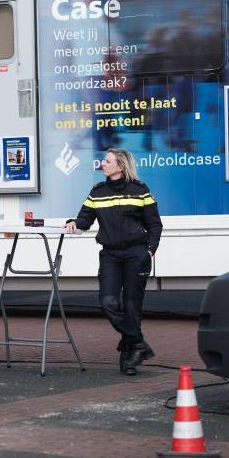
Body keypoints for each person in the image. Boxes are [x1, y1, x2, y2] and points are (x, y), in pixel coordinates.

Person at [64, 148, 163, 376]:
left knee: (131, 307)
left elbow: (155, 225)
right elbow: (85, 219)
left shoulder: (140, 190)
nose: (102, 164)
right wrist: (74, 222)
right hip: (110, 255)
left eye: (107, 161)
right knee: (108, 302)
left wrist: (150, 250)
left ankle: (128, 360)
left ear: (120, 166)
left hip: (136, 255)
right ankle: (138, 343)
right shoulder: (97, 192)